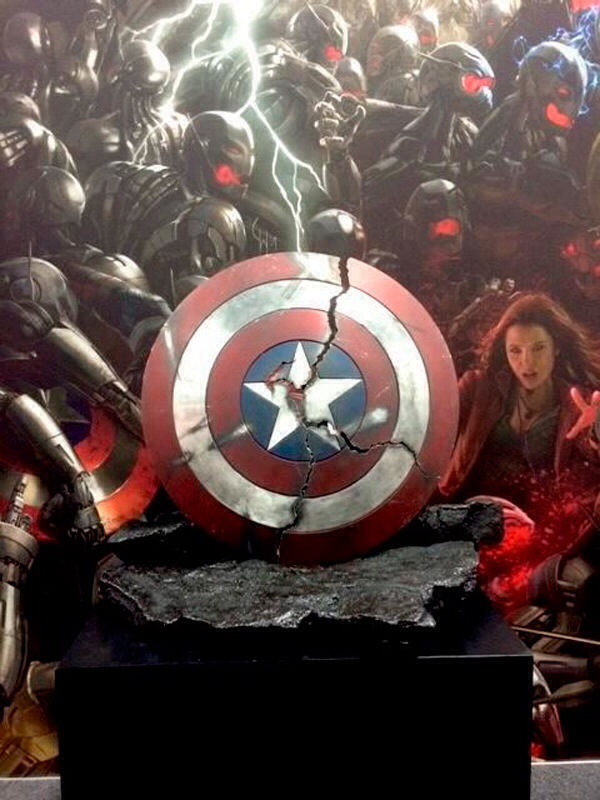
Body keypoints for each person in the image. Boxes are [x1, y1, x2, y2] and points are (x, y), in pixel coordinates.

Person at [438, 292, 600, 611]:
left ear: (556, 347)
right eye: (516, 351)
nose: (527, 363)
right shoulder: (478, 389)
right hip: (468, 525)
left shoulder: (577, 405)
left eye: (538, 348)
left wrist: (597, 433)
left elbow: (591, 466)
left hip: (537, 541)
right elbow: (431, 428)